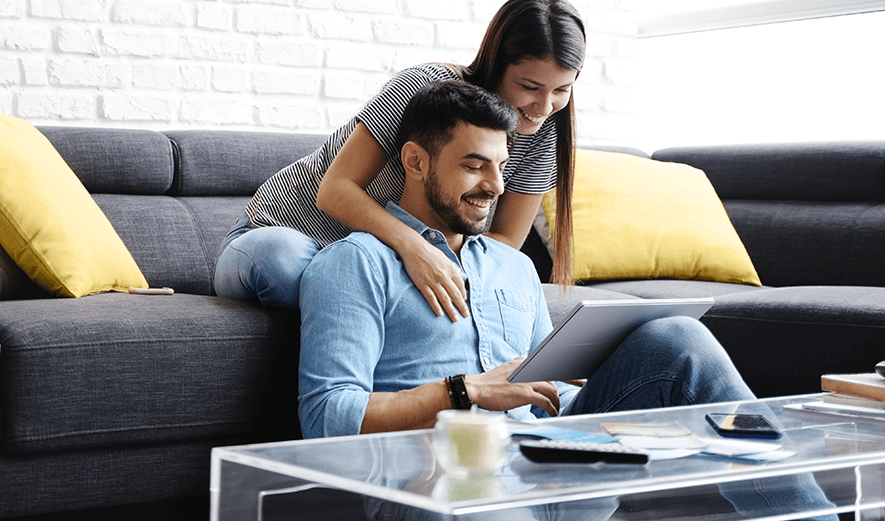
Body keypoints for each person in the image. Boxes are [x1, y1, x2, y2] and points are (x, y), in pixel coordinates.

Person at [297, 81, 837, 521]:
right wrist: (464, 392)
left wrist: (594, 373)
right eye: (473, 165)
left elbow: (547, 388)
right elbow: (326, 417)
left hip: (556, 462)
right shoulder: (356, 262)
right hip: (446, 480)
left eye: (502, 167)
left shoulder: (512, 265)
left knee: (679, 338)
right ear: (415, 161)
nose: (494, 185)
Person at [214, 0, 584, 319]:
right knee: (289, 267)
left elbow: (503, 243)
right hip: (289, 235)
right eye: (529, 87)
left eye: (561, 90)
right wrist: (416, 250)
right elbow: (335, 190)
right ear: (496, 63)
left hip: (377, 267)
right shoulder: (422, 88)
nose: (543, 105)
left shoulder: (543, 135)